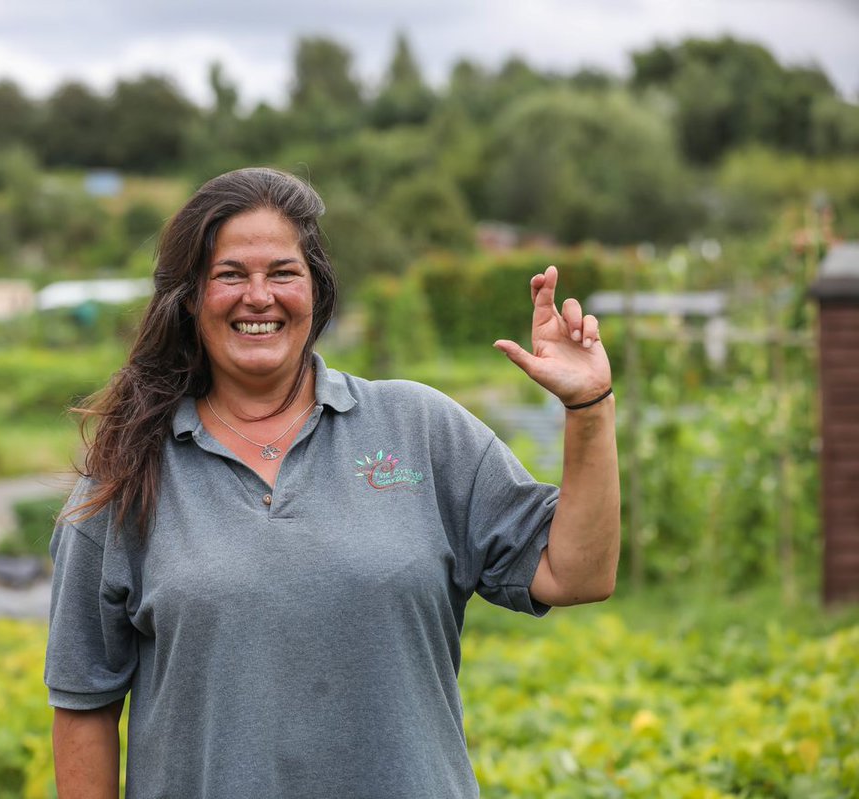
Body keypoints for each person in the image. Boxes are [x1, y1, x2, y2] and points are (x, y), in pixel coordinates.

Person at [45, 167, 619, 799]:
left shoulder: (418, 428)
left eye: (283, 273)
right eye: (230, 274)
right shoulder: (129, 473)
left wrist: (590, 408)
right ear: (188, 298)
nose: (258, 296)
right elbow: (83, 706)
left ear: (316, 289)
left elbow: (578, 574)